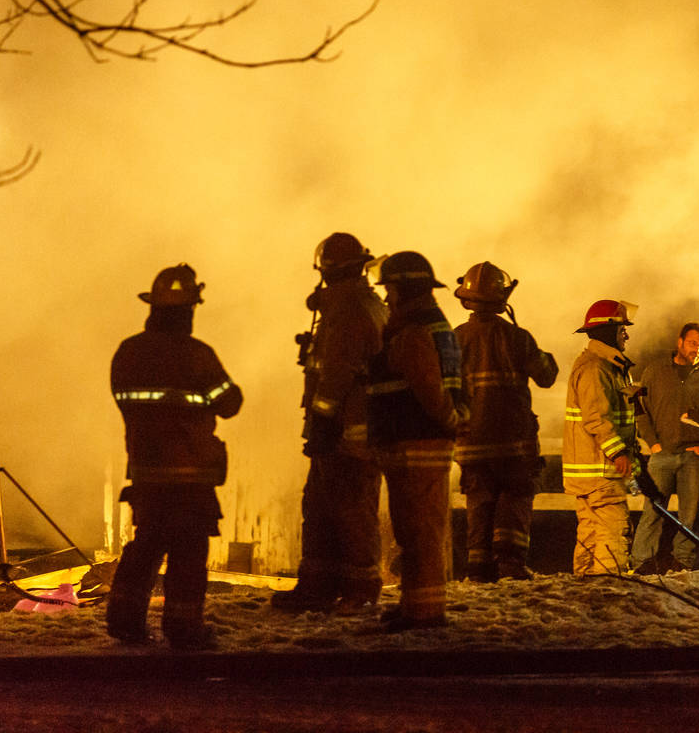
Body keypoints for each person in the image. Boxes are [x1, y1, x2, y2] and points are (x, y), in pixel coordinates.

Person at [107, 263, 243, 648]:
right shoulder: (197, 355)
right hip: (192, 475)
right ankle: (184, 630)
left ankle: (124, 622)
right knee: (188, 552)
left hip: (147, 472)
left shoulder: (128, 352)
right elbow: (230, 403)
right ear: (188, 312)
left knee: (145, 545)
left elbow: (124, 401)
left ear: (153, 308)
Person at [271, 233, 389, 614]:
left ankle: (361, 589)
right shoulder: (360, 304)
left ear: (327, 270)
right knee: (321, 507)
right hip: (338, 429)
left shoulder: (350, 309)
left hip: (347, 431)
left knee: (353, 510)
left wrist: (322, 418)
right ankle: (317, 586)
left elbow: (338, 370)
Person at [367, 251, 467, 632]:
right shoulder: (426, 324)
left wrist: (448, 421)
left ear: (402, 289)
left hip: (417, 442)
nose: (387, 297)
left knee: (420, 531)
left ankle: (423, 613)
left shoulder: (412, 331)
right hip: (415, 441)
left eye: (389, 289)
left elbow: (428, 389)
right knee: (414, 529)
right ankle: (416, 606)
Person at [452, 261, 558, 582]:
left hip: (471, 443)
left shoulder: (454, 339)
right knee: (514, 500)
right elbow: (547, 376)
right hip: (515, 445)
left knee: (479, 503)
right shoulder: (517, 338)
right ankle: (510, 566)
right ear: (502, 298)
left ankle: (478, 569)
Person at [563, 299, 640, 575]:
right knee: (611, 532)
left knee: (590, 535)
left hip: (592, 473)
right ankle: (611, 591)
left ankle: (585, 595)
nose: (626, 335)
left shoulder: (605, 366)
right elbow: (597, 418)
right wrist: (619, 453)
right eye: (622, 330)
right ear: (608, 332)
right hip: (601, 472)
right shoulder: (597, 369)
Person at [631, 322, 699, 574]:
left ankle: (683, 562)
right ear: (679, 342)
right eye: (692, 344)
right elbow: (640, 408)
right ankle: (642, 562)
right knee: (653, 511)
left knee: (689, 515)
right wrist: (652, 442)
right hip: (662, 453)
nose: (697, 350)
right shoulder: (655, 371)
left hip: (693, 456)